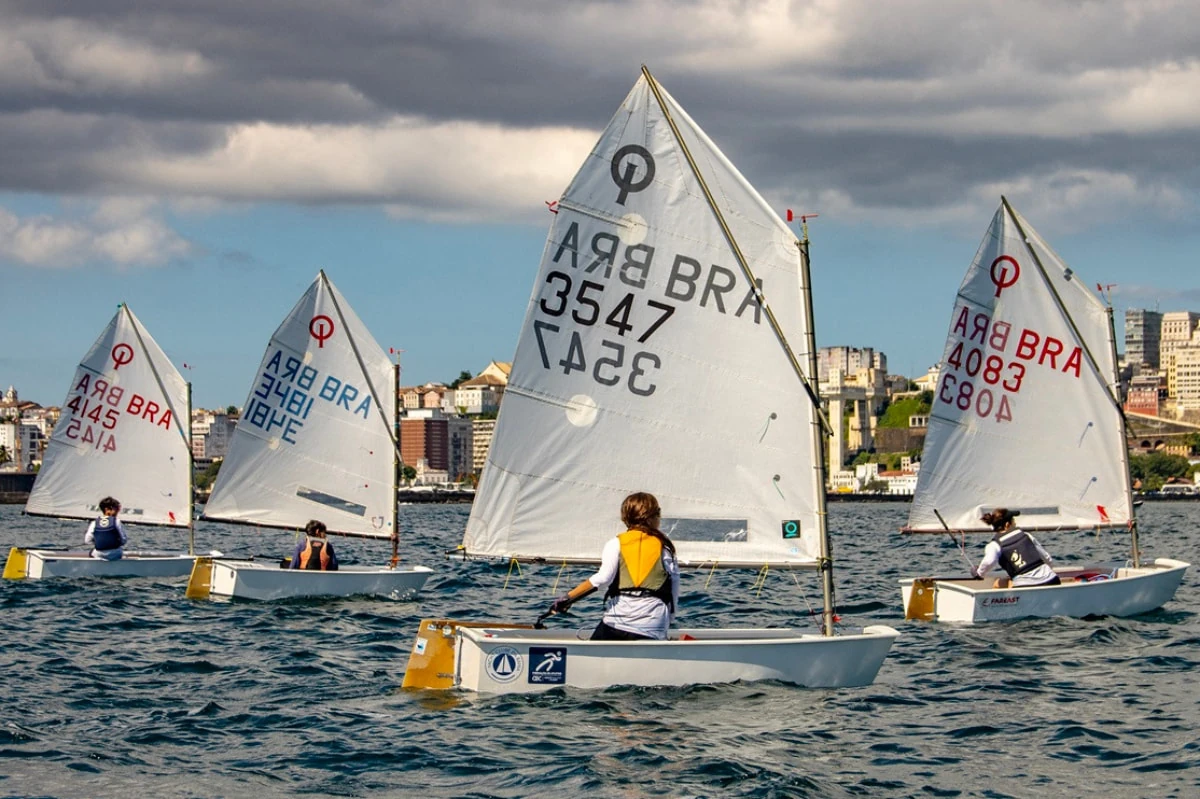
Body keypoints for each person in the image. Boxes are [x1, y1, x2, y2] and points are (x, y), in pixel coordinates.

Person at [547, 492, 681, 641]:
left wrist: (568, 597)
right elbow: (674, 587)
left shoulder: (615, 543)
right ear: (653, 518)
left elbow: (603, 578)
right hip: (653, 626)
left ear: (625, 518)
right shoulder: (665, 548)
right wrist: (670, 619)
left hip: (617, 624)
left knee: (596, 646)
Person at [971, 508, 1059, 588]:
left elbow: (989, 561)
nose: (1015, 523)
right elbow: (1047, 559)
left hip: (1025, 587)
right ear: (1007, 524)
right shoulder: (1026, 535)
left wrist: (979, 574)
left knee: (998, 584)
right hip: (1052, 580)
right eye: (1013, 521)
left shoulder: (994, 545)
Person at [84, 496, 128, 560]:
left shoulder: (94, 523)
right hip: (115, 554)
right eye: (116, 508)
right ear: (107, 509)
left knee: (91, 552)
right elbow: (124, 540)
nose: (118, 511)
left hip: (99, 555)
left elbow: (87, 541)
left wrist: (99, 541)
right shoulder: (117, 521)